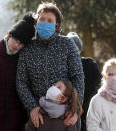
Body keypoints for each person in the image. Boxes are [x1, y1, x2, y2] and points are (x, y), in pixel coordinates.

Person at [16, 2, 84, 131]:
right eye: (42, 19)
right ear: (36, 22)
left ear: (56, 24)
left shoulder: (67, 44)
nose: (45, 22)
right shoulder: (27, 48)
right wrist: (32, 107)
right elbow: (21, 81)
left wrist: (75, 109)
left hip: (66, 114)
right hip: (39, 116)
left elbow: (78, 77)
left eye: (49, 20)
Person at [67, 32, 101, 131]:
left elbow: (96, 88)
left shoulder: (90, 65)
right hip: (67, 114)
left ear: (80, 50)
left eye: (75, 50)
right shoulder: (62, 67)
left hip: (88, 111)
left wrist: (82, 109)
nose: (72, 54)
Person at [86, 58, 116, 131]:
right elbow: (92, 126)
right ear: (105, 77)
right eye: (110, 74)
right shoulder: (97, 100)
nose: (114, 78)